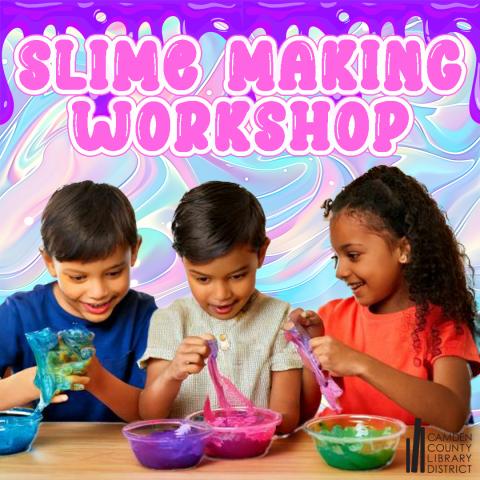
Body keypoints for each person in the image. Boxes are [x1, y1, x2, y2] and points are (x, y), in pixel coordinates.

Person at [289, 165, 480, 433]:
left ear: (403, 250)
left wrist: (360, 363)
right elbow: (301, 415)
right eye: (337, 257)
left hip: (414, 465)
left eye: (353, 255)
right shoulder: (332, 318)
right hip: (349, 464)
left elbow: (453, 415)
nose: (340, 271)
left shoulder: (442, 323)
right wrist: (308, 347)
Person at [138, 181, 302, 433]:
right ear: (183, 263)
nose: (221, 295)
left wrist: (239, 424)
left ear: (260, 254)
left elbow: (287, 418)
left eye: (237, 276)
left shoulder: (279, 319)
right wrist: (173, 373)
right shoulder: (169, 320)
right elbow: (149, 414)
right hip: (187, 462)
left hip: (252, 461)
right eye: (203, 279)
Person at [0, 181, 157, 421]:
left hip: (120, 453)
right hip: (39, 453)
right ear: (50, 263)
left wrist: (96, 377)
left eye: (114, 273)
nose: (98, 292)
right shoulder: (19, 313)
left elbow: (149, 414)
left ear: (134, 251)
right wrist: (28, 383)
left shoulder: (144, 315)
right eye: (78, 277)